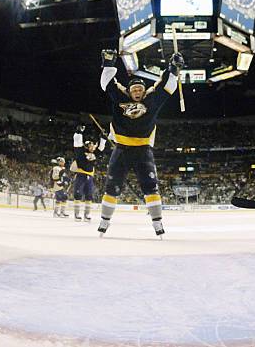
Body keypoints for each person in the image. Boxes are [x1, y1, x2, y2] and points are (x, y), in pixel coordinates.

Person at [97, 49, 183, 237]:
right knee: (112, 187)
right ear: (129, 91)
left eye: (140, 89)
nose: (137, 91)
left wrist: (173, 69)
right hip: (121, 149)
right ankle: (104, 221)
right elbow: (108, 85)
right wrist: (109, 64)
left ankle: (157, 223)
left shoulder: (152, 100)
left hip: (144, 151)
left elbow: (167, 87)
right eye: (134, 89)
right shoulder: (120, 97)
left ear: (144, 92)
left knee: (150, 186)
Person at [72, 126, 105, 221]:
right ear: (86, 146)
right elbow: (77, 143)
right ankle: (77, 214)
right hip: (81, 175)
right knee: (78, 195)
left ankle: (87, 215)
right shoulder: (81, 152)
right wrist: (78, 133)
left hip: (90, 176)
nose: (93, 147)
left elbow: (101, 148)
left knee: (89, 196)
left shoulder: (94, 154)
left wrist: (103, 138)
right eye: (91, 145)